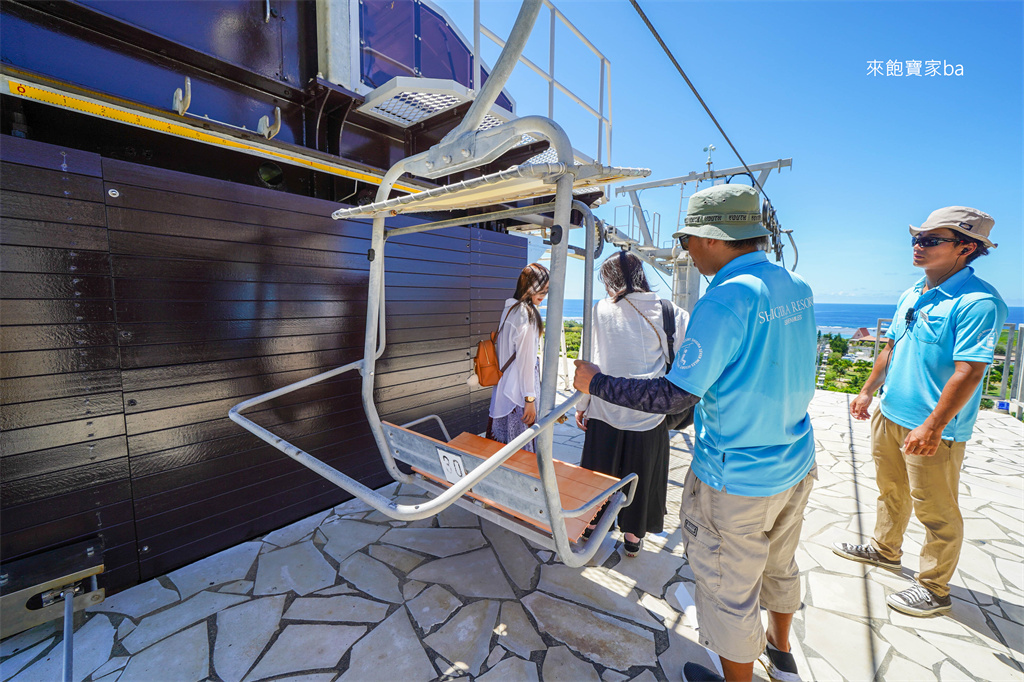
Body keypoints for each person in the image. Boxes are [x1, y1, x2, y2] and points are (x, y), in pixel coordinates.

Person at [573, 184, 817, 682]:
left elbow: (673, 396)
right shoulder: (796, 286)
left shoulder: (725, 299)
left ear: (711, 238)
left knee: (728, 589)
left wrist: (593, 383)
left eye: (687, 241)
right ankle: (782, 651)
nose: (686, 251)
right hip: (794, 456)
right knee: (778, 563)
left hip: (738, 474)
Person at [833, 206, 1007, 617]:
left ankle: (934, 588)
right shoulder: (914, 291)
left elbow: (969, 371)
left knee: (936, 510)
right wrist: (866, 391)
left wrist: (933, 426)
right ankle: (884, 550)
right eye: (917, 238)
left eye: (930, 240)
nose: (918, 246)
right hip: (891, 414)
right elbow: (891, 347)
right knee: (890, 491)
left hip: (932, 429)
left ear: (966, 248)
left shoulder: (979, 302)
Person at [575, 250, 689, 557]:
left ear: (609, 281)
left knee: (598, 477)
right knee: (642, 477)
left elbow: (592, 361)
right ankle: (633, 538)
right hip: (648, 415)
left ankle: (590, 527)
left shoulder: (601, 310)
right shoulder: (670, 311)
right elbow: (685, 366)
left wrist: (582, 405)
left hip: (603, 407)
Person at [488, 262, 549, 453]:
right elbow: (526, 362)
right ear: (528, 285)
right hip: (518, 393)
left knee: (501, 447)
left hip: (503, 387)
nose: (543, 294)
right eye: (540, 288)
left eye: (547, 290)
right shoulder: (527, 315)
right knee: (521, 451)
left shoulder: (510, 308)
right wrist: (529, 400)